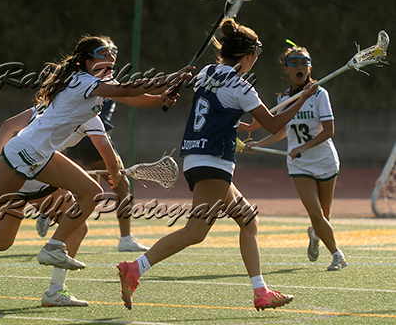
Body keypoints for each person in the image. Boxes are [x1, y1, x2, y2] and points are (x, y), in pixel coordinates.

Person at [0, 33, 192, 301]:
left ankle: (53, 248)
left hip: (41, 156)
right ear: (87, 62)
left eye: (112, 59)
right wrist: (173, 77)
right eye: (103, 58)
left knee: (91, 193)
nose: (110, 63)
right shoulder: (82, 82)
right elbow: (130, 89)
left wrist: (161, 98)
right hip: (23, 154)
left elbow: (132, 96)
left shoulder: (95, 86)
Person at [116, 18, 320, 311]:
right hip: (213, 162)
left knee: (248, 219)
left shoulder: (206, 72)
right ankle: (134, 268)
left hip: (198, 158)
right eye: (256, 54)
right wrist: (302, 98)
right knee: (195, 232)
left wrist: (238, 126)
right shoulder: (241, 87)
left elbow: (223, 113)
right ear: (248, 56)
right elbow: (274, 124)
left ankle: (261, 291)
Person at [244, 41, 347, 271]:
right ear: (286, 68)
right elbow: (282, 130)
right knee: (315, 213)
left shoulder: (320, 95)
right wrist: (258, 144)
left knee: (323, 218)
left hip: (325, 161)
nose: (299, 66)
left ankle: (315, 233)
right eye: (294, 62)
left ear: (310, 67)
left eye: (304, 62)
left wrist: (303, 146)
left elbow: (329, 131)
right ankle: (338, 255)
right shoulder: (284, 100)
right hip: (299, 164)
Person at [36, 98, 149, 252]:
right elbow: (133, 96)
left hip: (75, 139)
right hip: (93, 138)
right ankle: (126, 238)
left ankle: (52, 212)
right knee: (122, 187)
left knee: (86, 193)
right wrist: (161, 97)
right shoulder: (103, 86)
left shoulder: (79, 86)